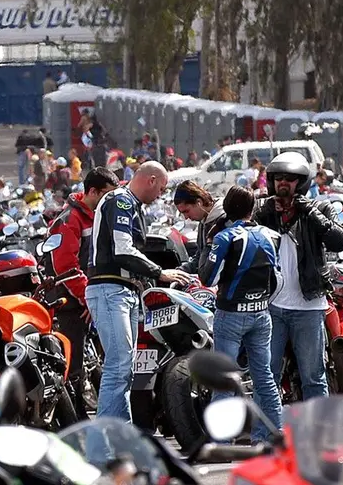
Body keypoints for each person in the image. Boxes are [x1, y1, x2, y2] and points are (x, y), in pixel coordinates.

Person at [86, 161, 193, 421]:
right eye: (162, 188)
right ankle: (105, 443)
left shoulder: (129, 204)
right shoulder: (121, 201)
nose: (161, 195)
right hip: (111, 291)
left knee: (124, 369)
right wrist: (159, 272)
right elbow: (123, 249)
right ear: (152, 179)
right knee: (118, 367)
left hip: (122, 292)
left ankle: (120, 438)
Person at [254, 152, 343, 400]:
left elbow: (339, 240)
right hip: (271, 306)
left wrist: (310, 212)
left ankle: (319, 436)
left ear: (302, 182)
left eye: (291, 178)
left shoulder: (319, 207)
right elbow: (240, 232)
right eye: (279, 178)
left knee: (314, 378)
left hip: (308, 306)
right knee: (266, 375)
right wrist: (262, 214)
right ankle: (264, 435)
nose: (284, 183)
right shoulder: (263, 210)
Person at [200, 185, 283, 442]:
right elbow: (276, 279)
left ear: (226, 209)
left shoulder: (225, 237)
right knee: (264, 378)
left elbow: (207, 277)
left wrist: (208, 244)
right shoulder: (272, 235)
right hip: (261, 313)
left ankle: (221, 442)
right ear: (253, 208)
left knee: (224, 379)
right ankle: (271, 436)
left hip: (231, 315)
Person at [42, 167, 118, 417]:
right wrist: (89, 299)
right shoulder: (69, 219)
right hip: (70, 301)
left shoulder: (96, 214)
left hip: (91, 297)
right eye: (107, 194)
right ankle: (75, 421)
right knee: (72, 365)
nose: (111, 200)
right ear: (93, 192)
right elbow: (65, 267)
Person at [173, 180, 228, 274]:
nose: (186, 217)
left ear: (199, 202)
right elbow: (200, 256)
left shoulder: (226, 221)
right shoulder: (203, 223)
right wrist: (180, 271)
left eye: (186, 211)